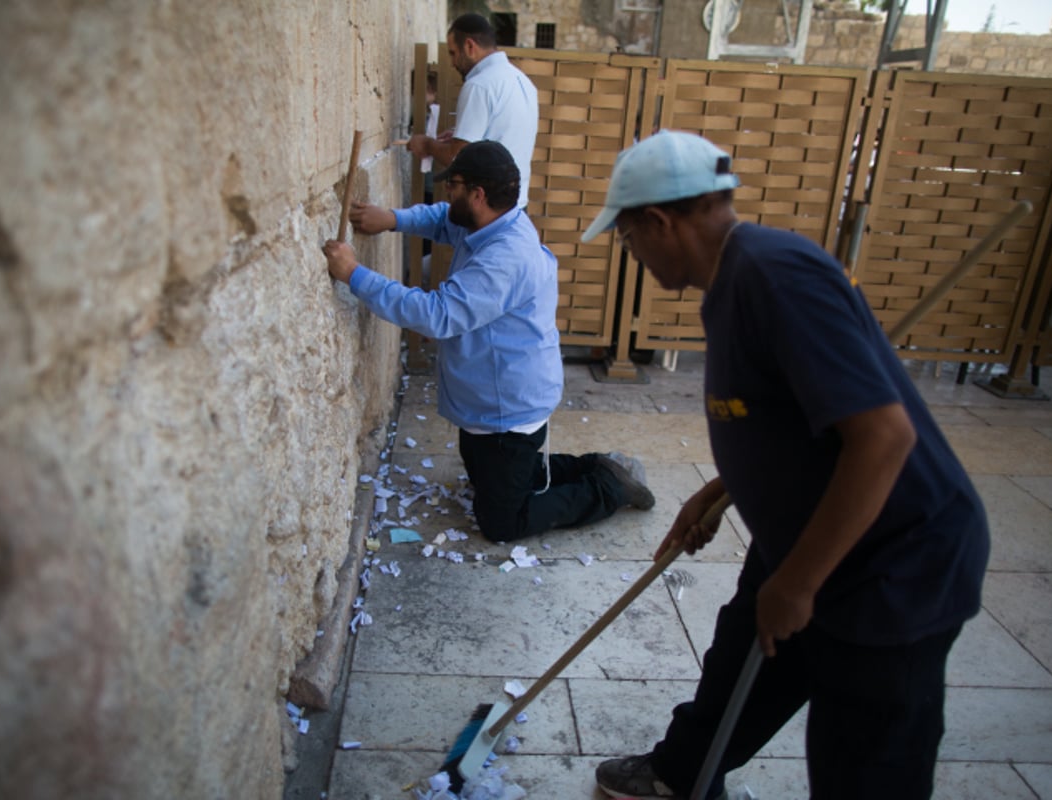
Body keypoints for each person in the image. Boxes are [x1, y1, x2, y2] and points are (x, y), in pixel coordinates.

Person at [579, 131, 990, 799]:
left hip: (893, 567)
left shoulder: (774, 276)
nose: (632, 253)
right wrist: (722, 489)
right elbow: (785, 415)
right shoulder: (733, 279)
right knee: (743, 662)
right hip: (804, 534)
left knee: (863, 762)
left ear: (658, 221)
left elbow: (884, 438)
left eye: (627, 238)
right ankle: (682, 775)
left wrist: (798, 583)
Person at [323, 140, 654, 542]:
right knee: (500, 478)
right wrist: (392, 218)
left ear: (478, 195)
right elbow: (443, 220)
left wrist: (355, 274)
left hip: (508, 408)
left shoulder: (505, 258)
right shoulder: (490, 221)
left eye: (455, 185)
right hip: (490, 404)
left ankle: (610, 487)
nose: (446, 191)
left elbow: (437, 315)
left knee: (501, 522)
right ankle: (600, 466)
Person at [405, 13, 538, 210]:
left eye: (452, 53)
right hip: (515, 208)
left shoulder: (479, 85)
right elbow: (501, 135)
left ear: (469, 46)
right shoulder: (523, 82)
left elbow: (457, 157)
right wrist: (459, 135)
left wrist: (427, 144)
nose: (452, 63)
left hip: (487, 210)